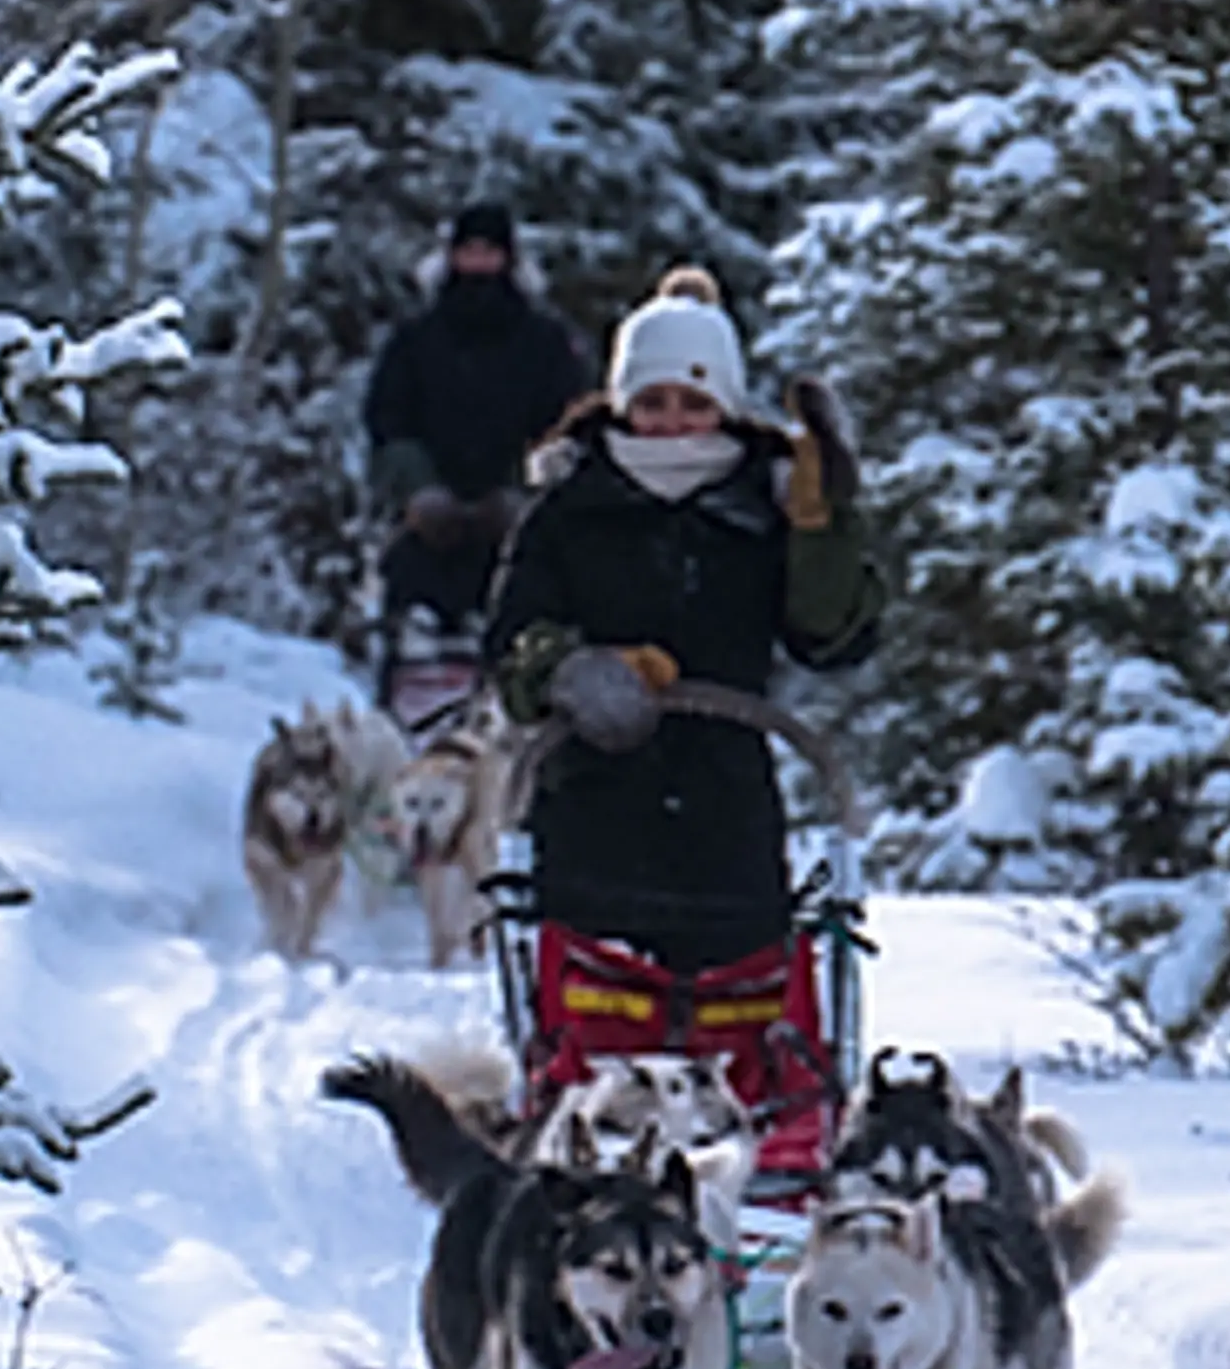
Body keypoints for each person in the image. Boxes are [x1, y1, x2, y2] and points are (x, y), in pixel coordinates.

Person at [484, 262, 881, 977]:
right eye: (653, 401)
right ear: (621, 401)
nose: (671, 423)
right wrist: (570, 671)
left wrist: (825, 531)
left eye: (692, 402)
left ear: (724, 403)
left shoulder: (764, 506)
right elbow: (513, 637)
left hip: (726, 808)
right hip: (590, 806)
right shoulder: (570, 507)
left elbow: (832, 638)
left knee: (740, 1019)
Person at [363, 202, 587, 702]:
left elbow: (566, 426)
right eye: (469, 251)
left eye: (489, 252)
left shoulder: (546, 343)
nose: (478, 262)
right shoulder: (415, 341)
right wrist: (417, 488)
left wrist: (522, 489)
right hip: (427, 524)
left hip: (517, 526)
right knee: (408, 599)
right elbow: (387, 421)